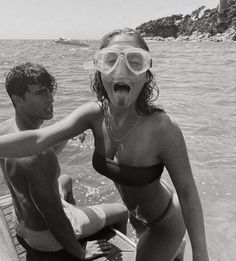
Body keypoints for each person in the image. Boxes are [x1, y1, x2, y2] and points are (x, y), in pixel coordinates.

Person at [0, 29, 209, 261]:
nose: (122, 69)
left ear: (146, 75)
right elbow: (38, 140)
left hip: (164, 222)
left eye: (134, 61)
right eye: (111, 61)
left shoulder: (162, 128)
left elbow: (189, 193)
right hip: (137, 216)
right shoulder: (94, 114)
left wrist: (202, 256)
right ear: (99, 72)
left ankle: (177, 248)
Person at [0, 62, 128, 260]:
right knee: (121, 211)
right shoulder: (40, 157)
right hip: (46, 238)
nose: (50, 98)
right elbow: (55, 219)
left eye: (50, 91)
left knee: (66, 179)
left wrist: (68, 135)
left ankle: (76, 220)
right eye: (41, 93)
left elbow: (29, 164)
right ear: (18, 99)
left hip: (22, 225)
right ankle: (87, 241)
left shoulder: (6, 132)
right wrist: (80, 252)